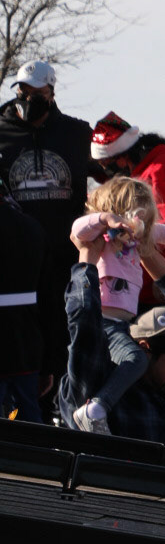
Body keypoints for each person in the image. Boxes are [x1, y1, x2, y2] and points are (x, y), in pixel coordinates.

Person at [67, 174, 165, 433]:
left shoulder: (137, 241)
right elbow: (77, 229)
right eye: (136, 217)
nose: (140, 226)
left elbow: (163, 233)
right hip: (105, 322)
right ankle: (97, 407)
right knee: (137, 359)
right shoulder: (104, 237)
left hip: (125, 321)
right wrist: (105, 219)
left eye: (145, 219)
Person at [59, 231, 165, 444]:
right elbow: (85, 323)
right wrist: (87, 257)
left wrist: (143, 247)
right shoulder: (97, 380)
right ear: (144, 349)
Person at [0, 61, 94, 394]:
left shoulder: (77, 133)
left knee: (64, 333)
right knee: (22, 338)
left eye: (37, 93)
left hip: (64, 254)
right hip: (16, 257)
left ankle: (62, 400)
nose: (29, 99)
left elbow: (111, 172)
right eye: (23, 92)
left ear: (51, 93)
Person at [90, 111, 165, 235]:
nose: (105, 169)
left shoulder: (163, 169)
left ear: (123, 155)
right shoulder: (139, 173)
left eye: (105, 163)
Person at [0, 172, 50, 422]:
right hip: (26, 345)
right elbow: (49, 299)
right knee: (29, 424)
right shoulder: (32, 227)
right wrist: (49, 362)